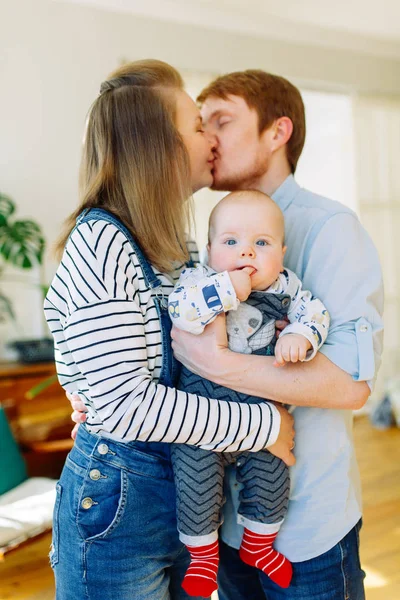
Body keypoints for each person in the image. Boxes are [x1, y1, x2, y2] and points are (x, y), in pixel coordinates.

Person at [44, 59, 295, 600]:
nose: (210, 137)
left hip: (177, 489)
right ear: (158, 143)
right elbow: (123, 406)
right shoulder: (102, 243)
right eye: (196, 124)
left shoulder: (175, 248)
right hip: (120, 507)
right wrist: (261, 427)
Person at [169, 70, 384, 600]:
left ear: (277, 132)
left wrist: (215, 363)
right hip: (224, 527)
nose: (209, 137)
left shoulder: (331, 227)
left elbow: (350, 385)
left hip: (307, 526)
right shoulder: (213, 237)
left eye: (223, 119)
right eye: (203, 123)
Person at [168, 189, 330, 596]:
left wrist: (300, 335)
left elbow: (316, 312)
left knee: (273, 477)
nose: (247, 254)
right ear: (208, 250)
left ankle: (259, 544)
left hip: (262, 422)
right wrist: (226, 290)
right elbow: (182, 312)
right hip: (200, 422)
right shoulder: (199, 281)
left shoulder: (285, 286)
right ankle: (204, 556)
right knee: (195, 484)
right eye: (231, 242)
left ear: (282, 251)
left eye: (262, 243)